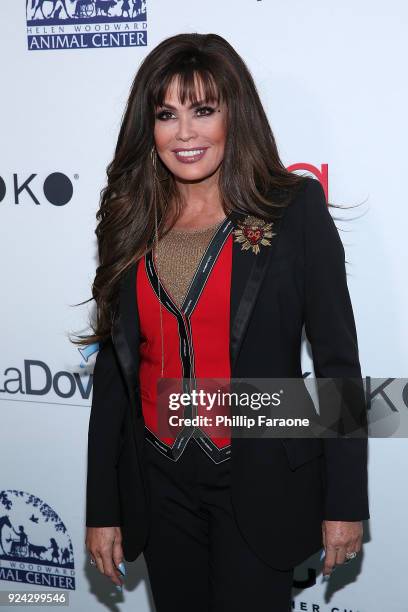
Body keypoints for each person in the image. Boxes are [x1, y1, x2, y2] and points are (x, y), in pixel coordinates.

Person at [76, 33, 369, 612]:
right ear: (149, 126)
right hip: (158, 484)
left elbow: (338, 363)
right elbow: (114, 376)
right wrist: (102, 507)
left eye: (203, 110)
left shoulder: (293, 210)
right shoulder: (128, 219)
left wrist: (345, 501)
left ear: (235, 114)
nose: (184, 133)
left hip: (257, 481)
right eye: (167, 114)